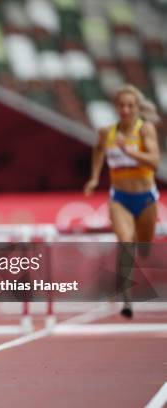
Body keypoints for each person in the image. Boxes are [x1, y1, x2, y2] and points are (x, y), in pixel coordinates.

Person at [83, 84, 161, 319]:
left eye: (130, 106)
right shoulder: (107, 133)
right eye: (121, 106)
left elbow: (155, 162)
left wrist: (129, 151)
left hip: (146, 197)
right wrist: (94, 177)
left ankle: (144, 246)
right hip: (120, 198)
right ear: (116, 108)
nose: (125, 110)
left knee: (144, 247)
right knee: (125, 243)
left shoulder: (145, 129)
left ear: (137, 108)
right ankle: (126, 299)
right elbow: (97, 150)